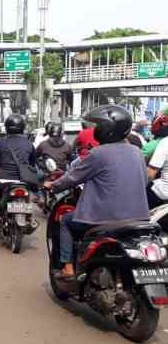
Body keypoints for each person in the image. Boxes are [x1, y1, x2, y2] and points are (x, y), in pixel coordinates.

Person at [44, 105, 149, 279]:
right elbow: (144, 181)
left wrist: (52, 186)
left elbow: (72, 178)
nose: (96, 130)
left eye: (99, 126)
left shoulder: (98, 154)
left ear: (107, 129)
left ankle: (68, 267)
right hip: (139, 217)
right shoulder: (137, 152)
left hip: (104, 219)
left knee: (66, 221)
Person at [0, 114, 35, 229]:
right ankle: (29, 217)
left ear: (7, 128)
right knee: (28, 194)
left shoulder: (0, 143)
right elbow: (32, 163)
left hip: (4, 179)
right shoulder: (29, 144)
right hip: (24, 179)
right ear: (22, 127)